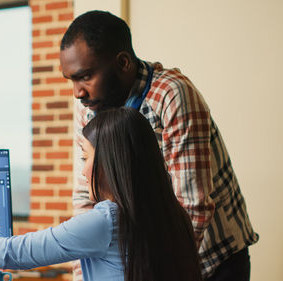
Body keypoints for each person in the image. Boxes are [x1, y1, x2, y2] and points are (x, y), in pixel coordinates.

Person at [60, 10, 259, 281]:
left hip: (213, 258)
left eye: (85, 76)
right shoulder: (89, 110)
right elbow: (87, 197)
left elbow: (192, 208)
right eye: (71, 79)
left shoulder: (173, 97)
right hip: (147, 261)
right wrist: (84, 274)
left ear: (123, 62)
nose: (77, 92)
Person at [0, 107, 203, 281]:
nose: (83, 172)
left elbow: (13, 253)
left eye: (85, 158)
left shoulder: (106, 222)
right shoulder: (174, 216)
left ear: (110, 163)